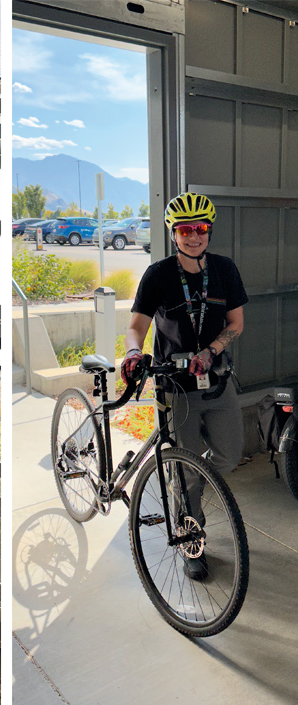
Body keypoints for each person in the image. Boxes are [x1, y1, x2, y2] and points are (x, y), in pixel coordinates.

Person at [119, 191, 247, 580]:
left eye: (201, 228)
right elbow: (136, 327)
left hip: (218, 382)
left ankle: (190, 483)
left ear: (209, 231)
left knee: (227, 455)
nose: (194, 236)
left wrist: (211, 350)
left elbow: (236, 324)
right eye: (185, 229)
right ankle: (190, 536)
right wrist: (131, 354)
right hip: (176, 388)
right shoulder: (158, 275)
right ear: (173, 233)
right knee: (184, 469)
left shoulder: (224, 269)